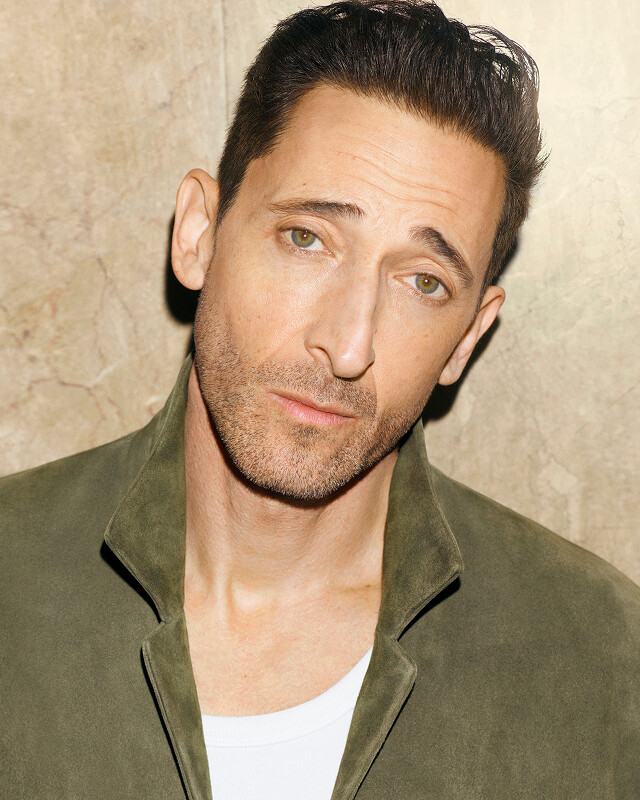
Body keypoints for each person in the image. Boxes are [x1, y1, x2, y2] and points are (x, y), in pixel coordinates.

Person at [1, 1, 638, 798]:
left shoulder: (605, 659)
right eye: (307, 238)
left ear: (468, 337)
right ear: (198, 233)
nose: (347, 345)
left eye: (422, 282)